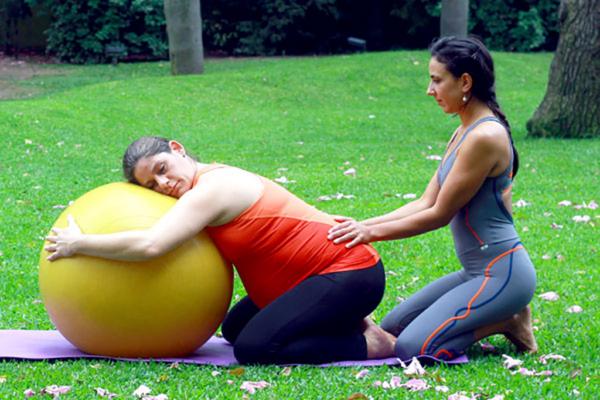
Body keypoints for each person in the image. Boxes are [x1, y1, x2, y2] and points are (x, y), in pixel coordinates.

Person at [44, 136, 396, 365]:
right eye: (152, 184)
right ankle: (352, 322)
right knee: (235, 329)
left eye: (162, 169)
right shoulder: (200, 188)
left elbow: (152, 244)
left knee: (254, 349)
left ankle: (371, 346)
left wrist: (79, 243)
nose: (163, 185)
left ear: (177, 148)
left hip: (349, 273)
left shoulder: (212, 188)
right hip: (307, 277)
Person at [328, 36, 538, 361]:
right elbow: (425, 201)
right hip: (474, 272)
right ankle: (501, 315)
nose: (430, 90)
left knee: (411, 348)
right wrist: (361, 226)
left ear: (465, 81)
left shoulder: (484, 136)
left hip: (502, 273)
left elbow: (439, 214)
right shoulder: (464, 130)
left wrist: (370, 235)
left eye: (437, 80)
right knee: (394, 325)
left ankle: (506, 320)